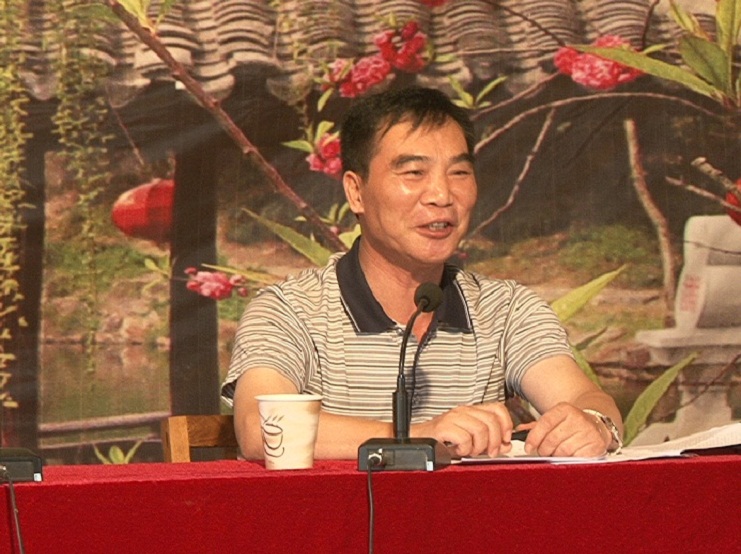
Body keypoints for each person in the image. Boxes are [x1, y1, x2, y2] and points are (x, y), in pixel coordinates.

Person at [221, 86, 623, 460]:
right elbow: (262, 430)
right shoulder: (289, 311)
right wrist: (417, 437)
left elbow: (586, 398)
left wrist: (594, 425)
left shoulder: (507, 309)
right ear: (356, 192)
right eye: (414, 173)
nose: (442, 196)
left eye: (459, 173)